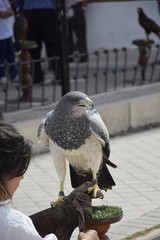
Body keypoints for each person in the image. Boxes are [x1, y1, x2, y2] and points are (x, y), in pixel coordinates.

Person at [0, 121, 99, 240]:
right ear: (4, 174)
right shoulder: (13, 224)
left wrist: (62, 212)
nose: (22, 177)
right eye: (19, 171)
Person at [14, 0, 62, 84]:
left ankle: (36, 77)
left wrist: (19, 9)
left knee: (34, 46)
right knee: (53, 45)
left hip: (30, 12)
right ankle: (59, 75)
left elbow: (18, 2)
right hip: (48, 11)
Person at [0, 0, 18, 84]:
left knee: (11, 55)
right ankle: (2, 75)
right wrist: (7, 13)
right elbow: (2, 14)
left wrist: (6, 13)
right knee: (1, 57)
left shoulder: (5, 1)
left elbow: (11, 11)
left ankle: (14, 74)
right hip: (1, 35)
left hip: (8, 32)